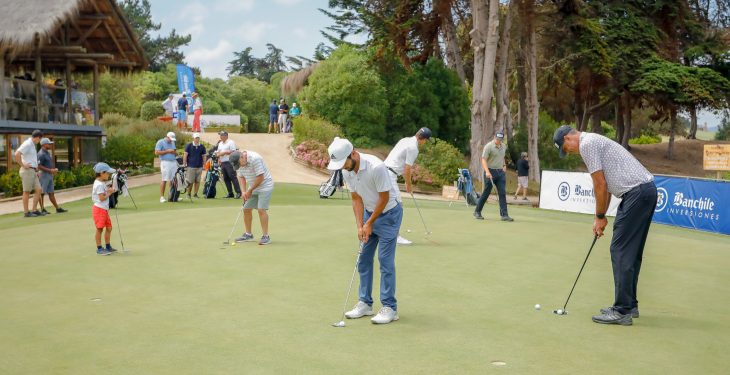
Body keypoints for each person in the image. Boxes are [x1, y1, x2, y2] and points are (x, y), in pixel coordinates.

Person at [553, 125, 657, 326]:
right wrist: (601, 217)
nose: (569, 152)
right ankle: (630, 305)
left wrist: (599, 216)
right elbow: (606, 186)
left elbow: (599, 184)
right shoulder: (592, 142)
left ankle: (622, 311)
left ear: (568, 138)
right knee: (631, 253)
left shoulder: (587, 144)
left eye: (565, 148)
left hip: (637, 194)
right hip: (643, 192)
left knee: (620, 250)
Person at [327, 137, 403, 325]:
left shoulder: (376, 167)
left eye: (343, 162)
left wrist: (369, 223)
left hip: (389, 214)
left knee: (385, 261)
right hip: (369, 214)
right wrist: (360, 225)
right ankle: (365, 303)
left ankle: (389, 308)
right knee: (363, 260)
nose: (341, 167)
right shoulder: (346, 171)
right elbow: (356, 199)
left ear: (353, 154)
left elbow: (384, 199)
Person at [384, 127, 432, 245]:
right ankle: (395, 237)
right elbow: (407, 169)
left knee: (385, 204)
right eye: (425, 140)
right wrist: (408, 185)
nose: (424, 143)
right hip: (389, 176)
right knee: (398, 206)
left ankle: (384, 232)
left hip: (383, 170)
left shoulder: (405, 140)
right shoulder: (413, 148)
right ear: (423, 139)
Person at [231, 150, 275, 245]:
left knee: (261, 209)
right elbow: (241, 177)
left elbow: (260, 177)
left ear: (242, 157)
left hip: (265, 186)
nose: (240, 167)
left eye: (240, 164)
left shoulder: (255, 159)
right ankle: (248, 234)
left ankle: (266, 236)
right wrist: (243, 191)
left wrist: (250, 190)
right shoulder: (239, 162)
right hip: (252, 186)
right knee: (246, 209)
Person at [474, 132, 514, 222]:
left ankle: (504, 215)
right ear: (494, 137)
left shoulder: (503, 146)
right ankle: (477, 212)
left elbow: (502, 156)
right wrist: (487, 172)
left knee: (502, 193)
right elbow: (483, 160)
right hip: (490, 171)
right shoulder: (489, 146)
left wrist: (504, 165)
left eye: (500, 140)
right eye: (497, 139)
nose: (498, 141)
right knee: (486, 193)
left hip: (500, 172)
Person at [15, 130, 44, 217]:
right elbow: (17, 154)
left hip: (33, 171)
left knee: (38, 189)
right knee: (26, 191)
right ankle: (26, 212)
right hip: (27, 171)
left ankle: (34, 210)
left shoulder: (32, 144)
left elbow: (32, 159)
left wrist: (37, 170)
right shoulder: (27, 143)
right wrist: (23, 165)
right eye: (40, 139)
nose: (39, 141)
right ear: (38, 137)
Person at [91, 162, 117, 256]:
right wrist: (109, 193)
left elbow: (104, 193)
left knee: (109, 228)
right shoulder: (98, 184)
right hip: (99, 209)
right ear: (102, 173)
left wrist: (109, 190)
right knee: (100, 229)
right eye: (108, 173)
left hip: (104, 210)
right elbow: (102, 198)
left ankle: (108, 246)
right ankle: (99, 248)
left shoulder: (101, 182)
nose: (109, 175)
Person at [37, 138, 68, 214]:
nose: (50, 145)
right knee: (42, 193)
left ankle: (57, 208)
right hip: (43, 175)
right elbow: (39, 166)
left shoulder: (47, 152)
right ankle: (42, 209)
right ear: (44, 144)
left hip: (49, 174)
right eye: (49, 143)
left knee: (51, 192)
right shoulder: (41, 154)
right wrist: (50, 170)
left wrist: (53, 170)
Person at [215, 131, 241, 198]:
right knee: (226, 178)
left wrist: (225, 152)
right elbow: (218, 153)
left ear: (226, 136)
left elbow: (234, 151)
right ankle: (230, 193)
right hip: (223, 162)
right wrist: (219, 156)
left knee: (232, 177)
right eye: (220, 135)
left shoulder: (230, 142)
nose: (220, 136)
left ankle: (238, 192)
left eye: (222, 135)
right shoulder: (220, 143)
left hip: (230, 162)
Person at [155, 131, 178, 203]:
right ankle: (161, 197)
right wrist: (167, 151)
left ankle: (172, 195)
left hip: (173, 162)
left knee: (173, 179)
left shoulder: (172, 142)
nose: (171, 140)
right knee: (164, 179)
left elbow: (174, 152)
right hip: (165, 162)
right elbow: (156, 152)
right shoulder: (160, 142)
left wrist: (174, 152)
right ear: (167, 137)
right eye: (170, 139)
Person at [183, 133, 207, 198]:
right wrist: (184, 164)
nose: (197, 139)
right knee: (190, 181)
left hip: (199, 166)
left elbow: (204, 156)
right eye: (196, 138)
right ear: (193, 138)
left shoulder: (202, 146)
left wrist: (204, 165)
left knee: (197, 181)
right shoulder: (189, 145)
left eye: (198, 138)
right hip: (191, 166)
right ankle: (188, 194)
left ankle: (195, 194)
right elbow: (185, 155)